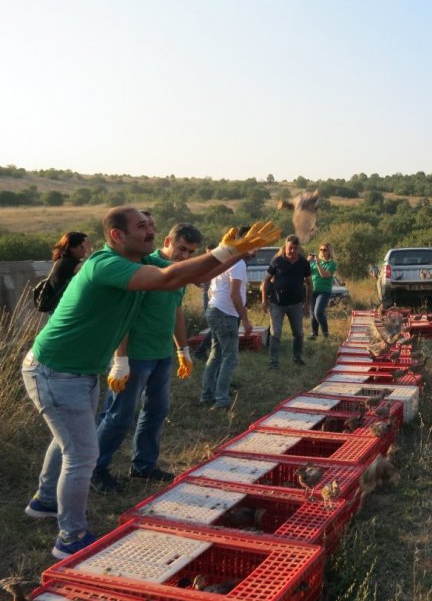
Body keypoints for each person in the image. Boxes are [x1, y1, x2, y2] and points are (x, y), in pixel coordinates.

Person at [21, 207, 279, 559]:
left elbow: (185, 276)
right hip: (56, 369)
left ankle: (45, 500)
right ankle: (70, 537)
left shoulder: (135, 266)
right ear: (117, 235)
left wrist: (230, 252)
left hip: (77, 369)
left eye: (152, 225)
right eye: (142, 226)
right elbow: (169, 278)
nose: (150, 231)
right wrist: (225, 251)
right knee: (82, 453)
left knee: (67, 440)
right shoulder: (104, 264)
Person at [91, 223, 204, 493]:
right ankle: (95, 468)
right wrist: (121, 359)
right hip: (135, 356)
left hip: (162, 353)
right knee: (120, 415)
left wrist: (182, 349)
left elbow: (176, 310)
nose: (185, 257)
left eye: (190, 252)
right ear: (167, 241)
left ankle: (143, 465)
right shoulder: (145, 267)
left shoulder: (178, 274)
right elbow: (122, 314)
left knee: (157, 410)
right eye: (181, 249)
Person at [200, 229, 252, 409]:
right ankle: (221, 400)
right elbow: (235, 293)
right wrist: (245, 319)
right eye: (255, 244)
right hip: (225, 312)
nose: (257, 249)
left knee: (216, 355)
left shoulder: (226, 258)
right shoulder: (238, 263)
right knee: (230, 357)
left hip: (214, 309)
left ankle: (207, 396)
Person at [261, 234, 312, 369]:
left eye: (295, 248)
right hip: (277, 304)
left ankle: (297, 357)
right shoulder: (277, 261)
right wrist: (264, 300)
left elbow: (309, 284)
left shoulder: (303, 263)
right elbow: (265, 280)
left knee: (299, 333)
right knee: (275, 333)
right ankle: (273, 363)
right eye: (290, 248)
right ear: (286, 247)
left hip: (296, 304)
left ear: (299, 248)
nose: (293, 251)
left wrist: (307, 304)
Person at [44, 232, 93, 313]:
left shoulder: (64, 261)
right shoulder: (67, 263)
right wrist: (89, 252)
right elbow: (89, 267)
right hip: (64, 310)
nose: (85, 250)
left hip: (61, 308)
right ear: (72, 248)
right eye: (82, 247)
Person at [307, 242, 337, 340]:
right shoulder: (315, 263)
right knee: (312, 313)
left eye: (325, 250)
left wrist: (318, 263)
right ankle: (314, 334)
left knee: (318, 312)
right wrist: (307, 262)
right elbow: (307, 273)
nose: (322, 252)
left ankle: (325, 334)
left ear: (329, 252)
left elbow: (325, 275)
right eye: (321, 250)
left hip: (324, 291)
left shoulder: (332, 263)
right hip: (313, 290)